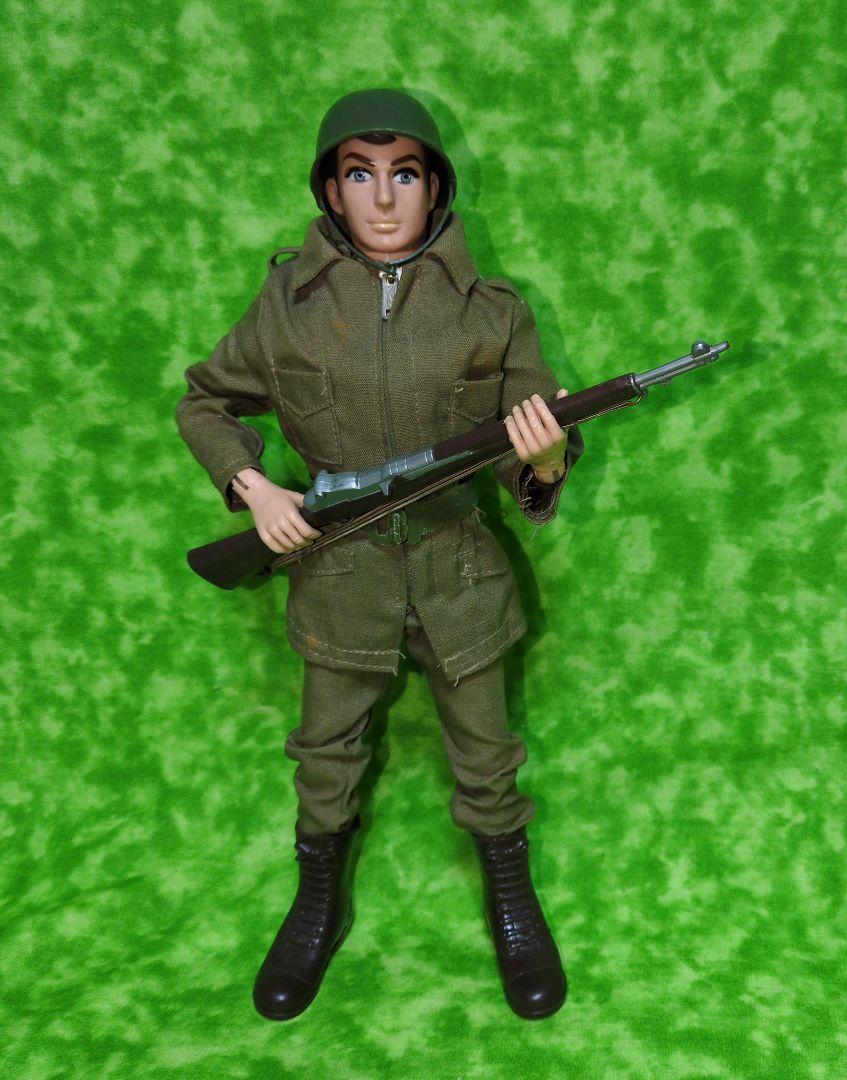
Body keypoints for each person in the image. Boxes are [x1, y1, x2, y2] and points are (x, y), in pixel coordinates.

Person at [175, 88, 584, 1022]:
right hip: (341, 572)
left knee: (487, 753)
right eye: (361, 176)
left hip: (456, 569)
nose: (385, 198)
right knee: (326, 751)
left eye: (405, 174)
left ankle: (510, 897)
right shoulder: (288, 306)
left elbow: (535, 439)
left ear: (435, 186)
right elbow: (203, 401)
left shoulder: (491, 312)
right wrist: (254, 487)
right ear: (331, 190)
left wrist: (546, 458)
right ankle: (317, 900)